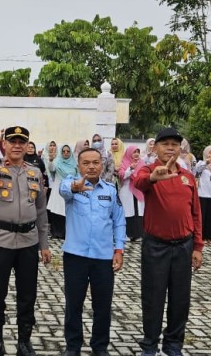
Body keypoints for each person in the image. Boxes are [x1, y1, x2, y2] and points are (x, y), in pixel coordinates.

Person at [0, 126, 51, 356]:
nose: (17, 145)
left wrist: (44, 244)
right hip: (0, 241)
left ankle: (24, 342)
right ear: (4, 145)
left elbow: (40, 212)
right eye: (12, 141)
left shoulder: (35, 172)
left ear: (28, 146)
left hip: (28, 242)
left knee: (27, 295)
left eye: (22, 141)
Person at [131, 127, 203, 356]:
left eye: (175, 144)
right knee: (153, 298)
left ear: (180, 148)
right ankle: (150, 345)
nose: (171, 147)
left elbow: (196, 214)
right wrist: (154, 177)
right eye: (165, 144)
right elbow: (138, 182)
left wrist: (198, 247)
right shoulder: (148, 171)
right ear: (155, 148)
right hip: (156, 246)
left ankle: (173, 345)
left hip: (183, 246)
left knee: (180, 300)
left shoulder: (188, 177)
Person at [59, 147, 125, 356]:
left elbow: (119, 222)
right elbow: (63, 190)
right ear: (78, 166)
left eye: (95, 162)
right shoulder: (72, 184)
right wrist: (75, 186)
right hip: (75, 256)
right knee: (74, 304)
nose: (91, 166)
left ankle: (99, 346)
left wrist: (119, 249)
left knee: (102, 306)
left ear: (102, 164)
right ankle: (73, 346)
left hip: (103, 257)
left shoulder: (110, 190)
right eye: (86, 163)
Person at [47, 144, 77, 239]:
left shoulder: (74, 163)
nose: (66, 153)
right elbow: (51, 169)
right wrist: (51, 160)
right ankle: (56, 233)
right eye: (63, 151)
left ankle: (67, 233)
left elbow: (77, 175)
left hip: (70, 190)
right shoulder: (57, 162)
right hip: (58, 190)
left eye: (68, 151)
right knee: (57, 212)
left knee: (68, 212)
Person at [118, 145, 146, 241]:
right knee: (127, 212)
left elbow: (145, 175)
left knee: (139, 212)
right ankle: (127, 234)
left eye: (138, 152)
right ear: (129, 153)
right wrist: (130, 169)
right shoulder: (124, 162)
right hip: (127, 191)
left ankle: (138, 234)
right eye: (134, 152)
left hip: (139, 190)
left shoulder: (142, 163)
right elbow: (122, 176)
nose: (136, 154)